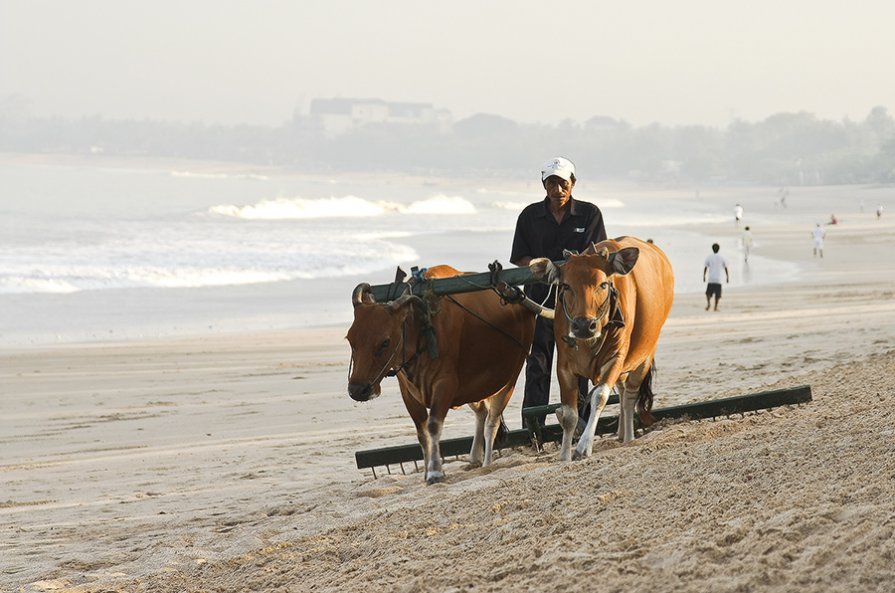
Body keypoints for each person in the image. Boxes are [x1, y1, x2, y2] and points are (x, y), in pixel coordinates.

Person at [510, 157, 607, 428]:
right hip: (540, 301)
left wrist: (570, 269)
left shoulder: (590, 214)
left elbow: (595, 256)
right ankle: (533, 427)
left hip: (578, 304)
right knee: (538, 362)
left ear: (573, 184)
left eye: (563, 183)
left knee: (581, 362)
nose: (558, 189)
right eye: (551, 183)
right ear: (544, 184)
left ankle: (584, 422)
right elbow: (520, 258)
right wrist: (545, 268)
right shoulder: (529, 216)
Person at [703, 243, 729, 311]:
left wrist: (704, 276)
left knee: (708, 293)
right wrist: (727, 276)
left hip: (711, 278)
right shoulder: (722, 257)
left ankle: (708, 304)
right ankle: (715, 307)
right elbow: (726, 267)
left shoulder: (709, 257)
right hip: (718, 279)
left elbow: (705, 267)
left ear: (712, 249)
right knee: (717, 295)